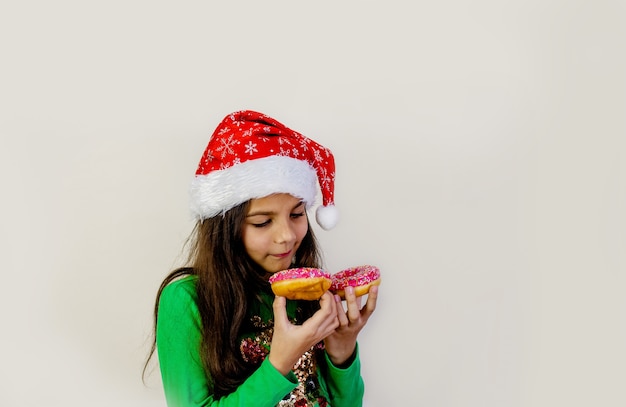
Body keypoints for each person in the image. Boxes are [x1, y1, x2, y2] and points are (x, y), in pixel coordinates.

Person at [144, 110, 379, 407]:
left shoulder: (306, 290)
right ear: (226, 228)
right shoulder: (186, 298)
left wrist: (341, 352)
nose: (287, 236)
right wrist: (279, 363)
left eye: (296, 214)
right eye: (262, 222)